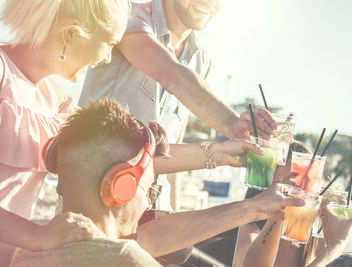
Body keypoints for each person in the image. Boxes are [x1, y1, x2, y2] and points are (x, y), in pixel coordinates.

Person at [11, 98, 306, 266]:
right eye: (152, 189)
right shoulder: (127, 258)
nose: (150, 203)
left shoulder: (24, 254)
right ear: (121, 186)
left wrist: (255, 207)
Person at [78, 0, 277, 211]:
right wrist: (234, 123)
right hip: (96, 200)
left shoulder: (201, 58)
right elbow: (172, 75)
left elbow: (174, 145)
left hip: (150, 212)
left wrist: (171, 211)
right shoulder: (128, 18)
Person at [0, 0, 129, 265]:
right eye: (110, 43)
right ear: (71, 33)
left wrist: (216, 155)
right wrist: (36, 235)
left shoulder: (56, 101)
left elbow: (121, 151)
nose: (107, 58)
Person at [234, 141, 312, 267]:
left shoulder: (315, 233)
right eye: (283, 185)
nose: (292, 193)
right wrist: (277, 216)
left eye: (299, 186)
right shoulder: (251, 226)